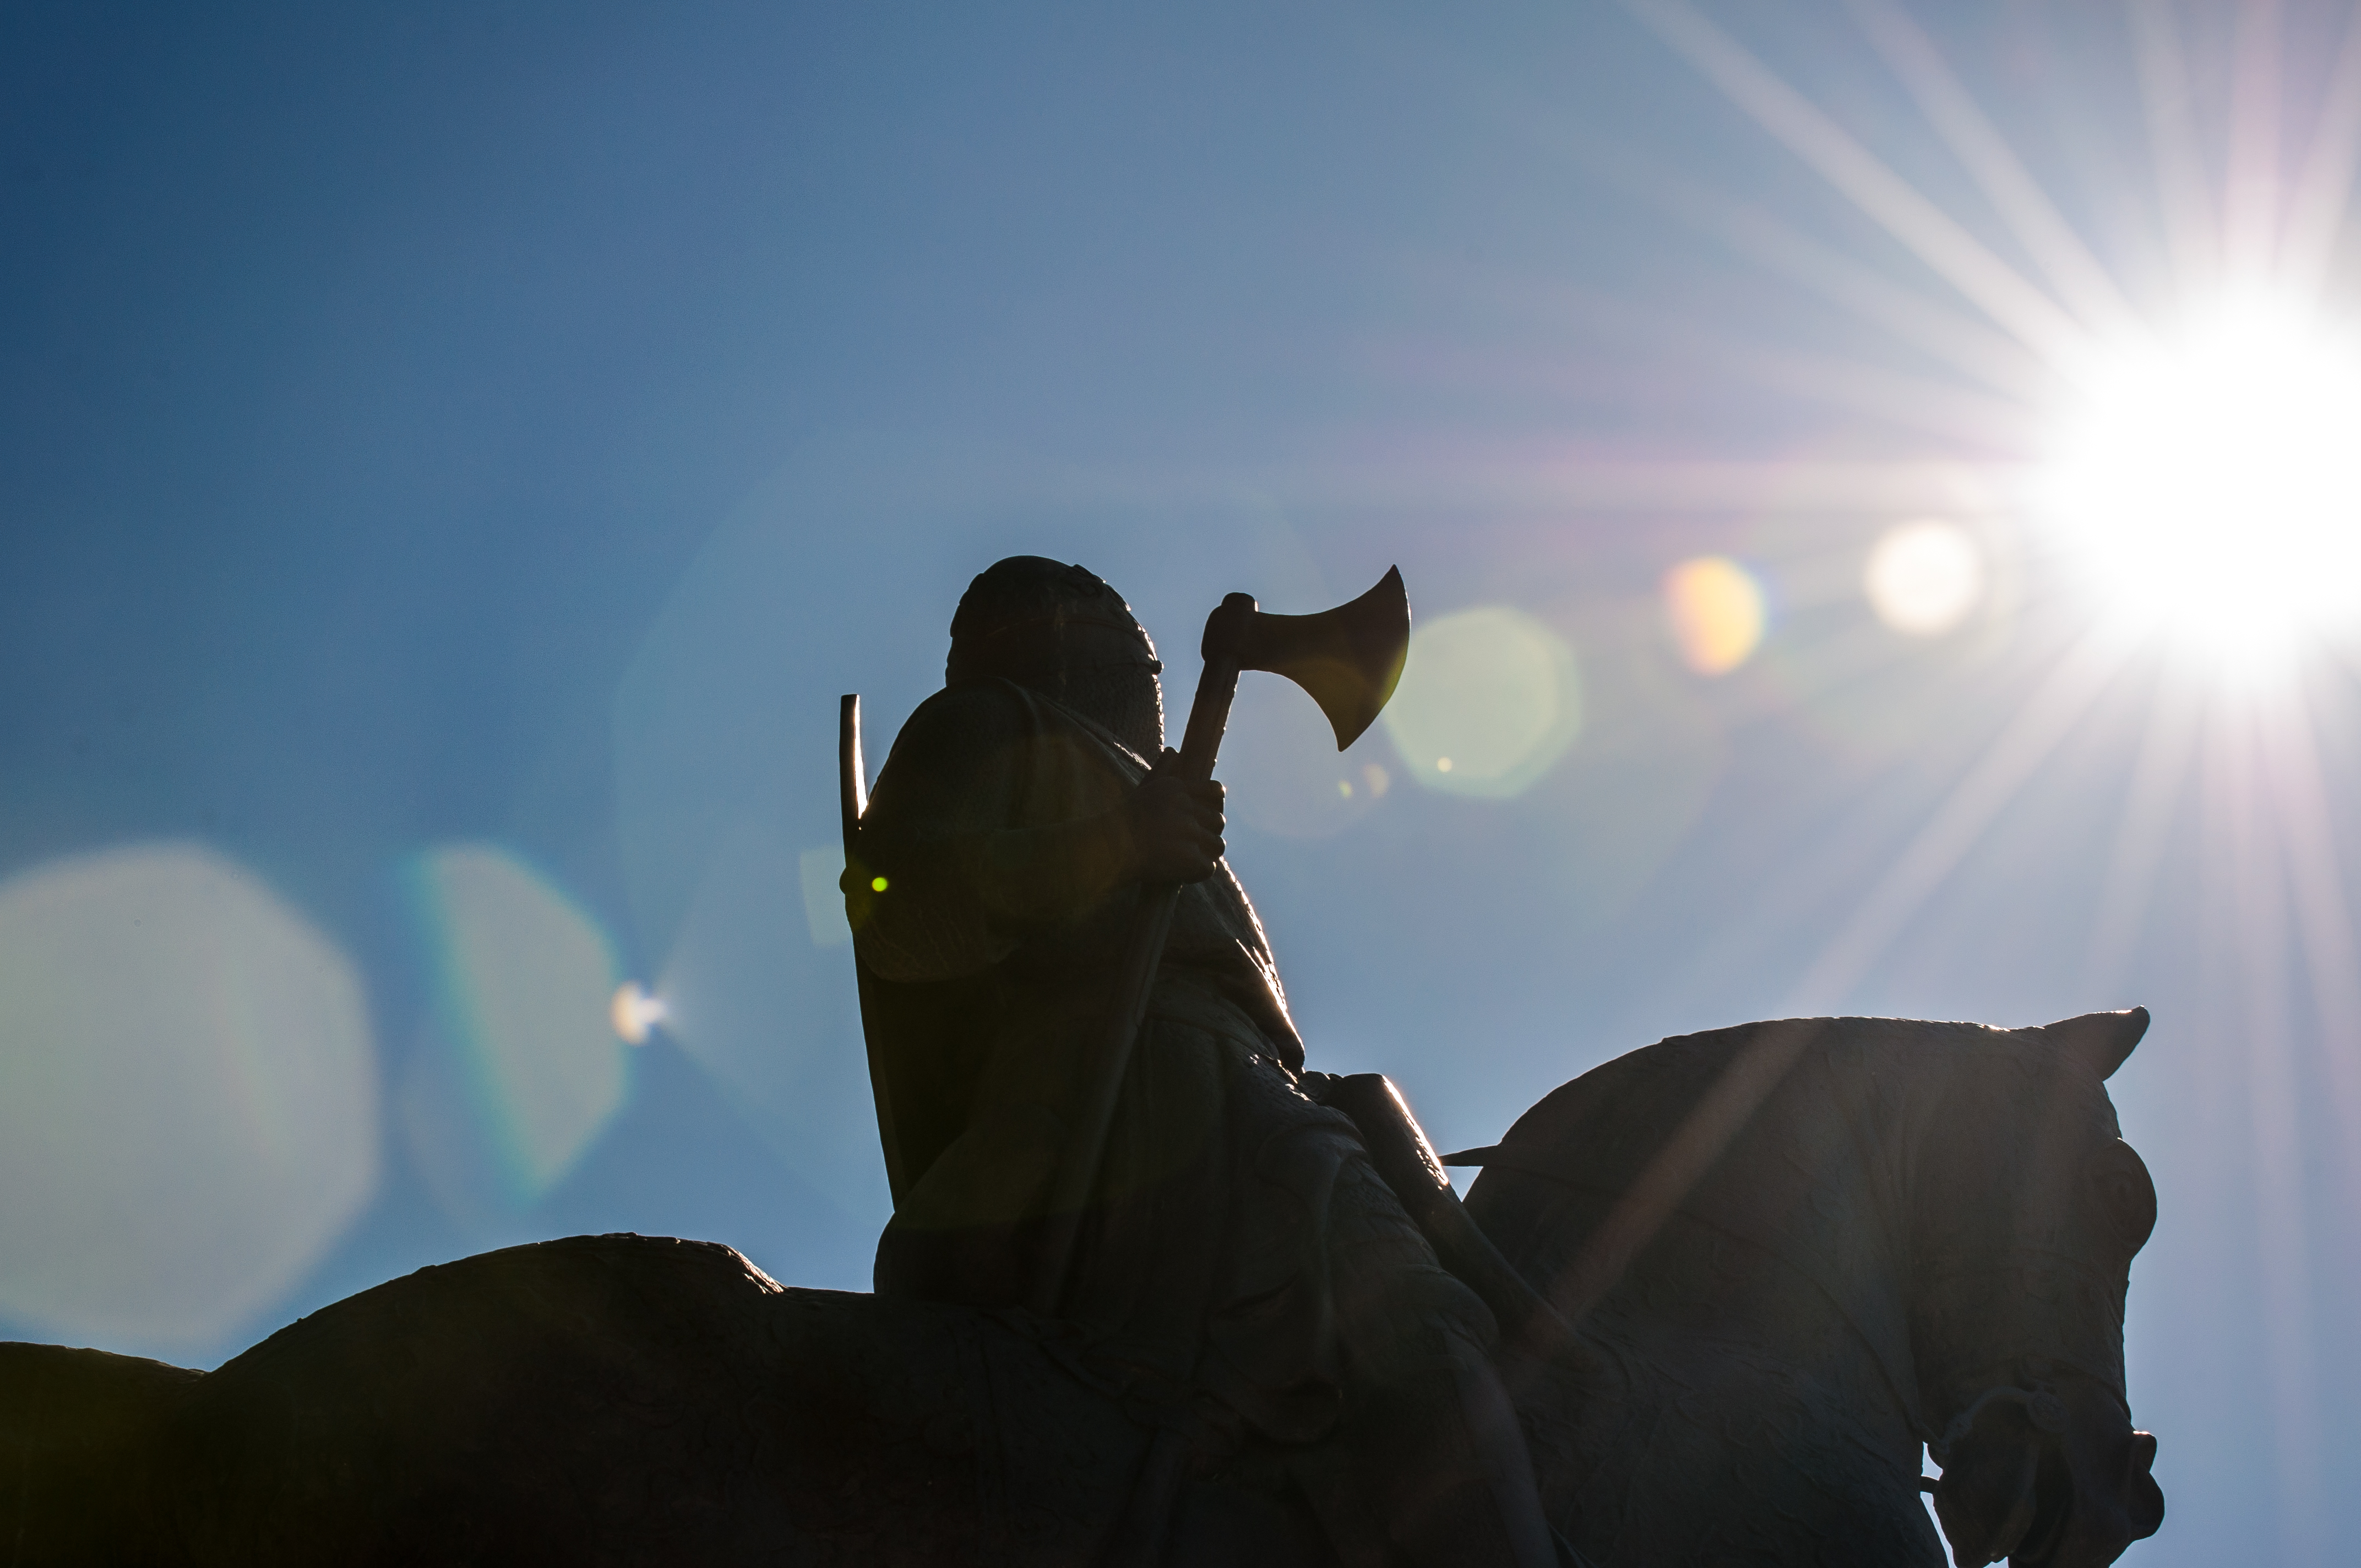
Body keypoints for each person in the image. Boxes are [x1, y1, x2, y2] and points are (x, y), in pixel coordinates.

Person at [846, 556, 1560, 1568]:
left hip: (1251, 1094)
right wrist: (1114, 843)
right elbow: (895, 904)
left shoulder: (1146, 785)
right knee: (1418, 1332)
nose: (1156, 683)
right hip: (1154, 1112)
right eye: (1139, 656)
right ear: (1067, 642)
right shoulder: (989, 725)